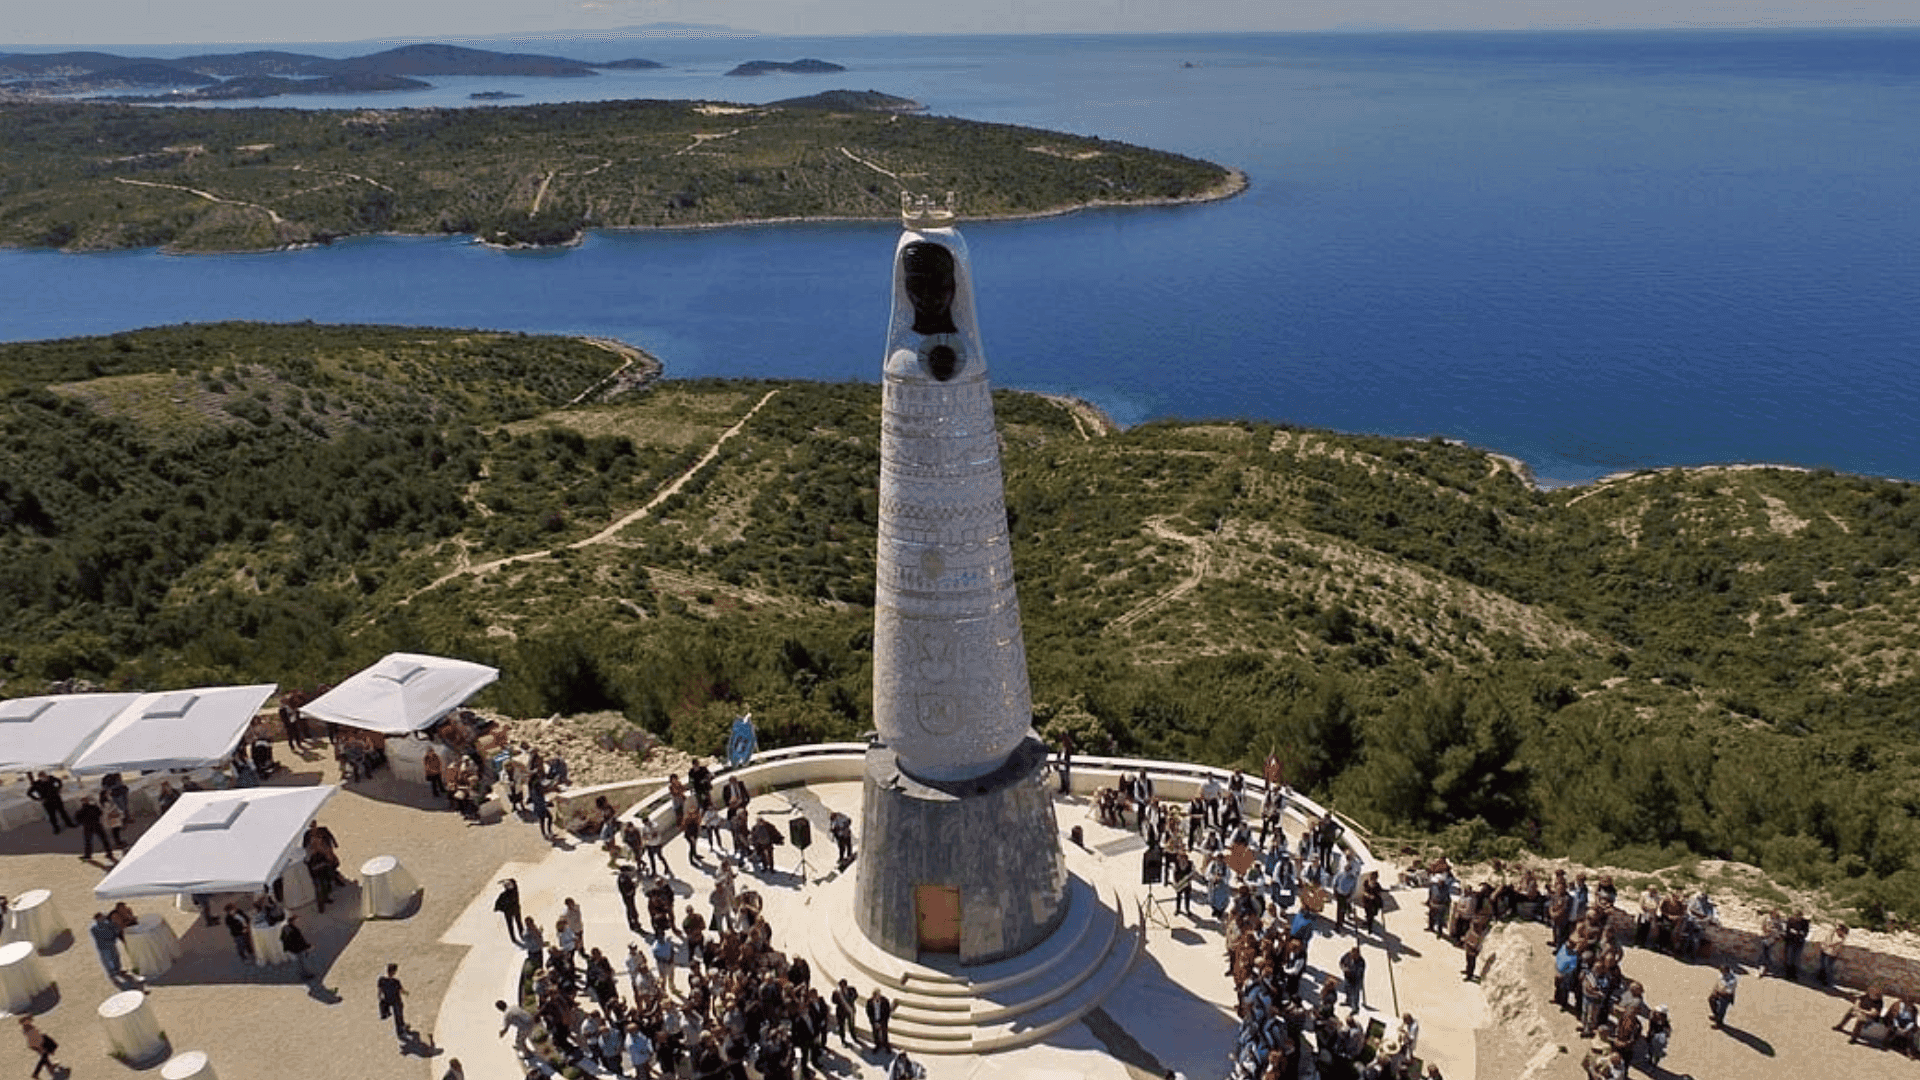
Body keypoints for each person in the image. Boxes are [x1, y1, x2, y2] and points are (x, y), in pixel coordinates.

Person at [75, 796, 115, 861]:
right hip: (97, 825)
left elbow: (78, 820)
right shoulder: (94, 807)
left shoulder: (80, 811)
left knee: (88, 841)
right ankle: (109, 853)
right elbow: (100, 813)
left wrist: (83, 822)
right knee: (104, 839)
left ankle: (88, 855)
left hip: (87, 826)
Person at [89, 910, 126, 980]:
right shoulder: (95, 928)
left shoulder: (108, 924)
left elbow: (115, 930)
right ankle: (112, 973)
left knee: (116, 957)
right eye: (101, 917)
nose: (102, 918)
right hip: (104, 946)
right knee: (108, 959)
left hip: (111, 944)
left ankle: (118, 970)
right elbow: (105, 935)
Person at [378, 962, 410, 1041]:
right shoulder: (396, 982)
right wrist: (406, 993)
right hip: (396, 1000)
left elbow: (379, 992)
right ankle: (401, 1031)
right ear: (394, 971)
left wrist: (381, 1000)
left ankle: (402, 1026)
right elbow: (401, 991)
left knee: (398, 1015)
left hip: (387, 1000)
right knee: (398, 1016)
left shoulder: (381, 980)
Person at [282, 913, 315, 979]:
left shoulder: (286, 928)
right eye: (294, 919)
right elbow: (299, 940)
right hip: (298, 949)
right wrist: (307, 946)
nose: (296, 920)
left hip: (294, 949)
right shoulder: (293, 930)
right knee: (303, 962)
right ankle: (305, 975)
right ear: (291, 921)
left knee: (300, 962)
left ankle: (302, 974)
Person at [1707, 963, 1737, 1028]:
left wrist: (1719, 994)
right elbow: (1717, 983)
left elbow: (1729, 992)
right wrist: (1714, 992)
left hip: (1726, 997)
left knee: (1721, 1009)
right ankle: (1716, 1015)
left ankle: (1719, 1023)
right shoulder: (1721, 975)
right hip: (1719, 993)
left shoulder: (1732, 980)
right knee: (1711, 1000)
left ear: (1727, 971)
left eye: (1723, 971)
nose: (1722, 972)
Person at [867, 988, 894, 1053]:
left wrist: (883, 1022)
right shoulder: (869, 1002)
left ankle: (886, 1046)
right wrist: (873, 1021)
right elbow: (868, 1012)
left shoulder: (885, 1001)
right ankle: (877, 1045)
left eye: (877, 995)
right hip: (874, 1020)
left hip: (883, 1020)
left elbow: (887, 1012)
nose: (876, 997)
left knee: (884, 1034)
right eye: (874, 996)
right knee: (875, 1034)